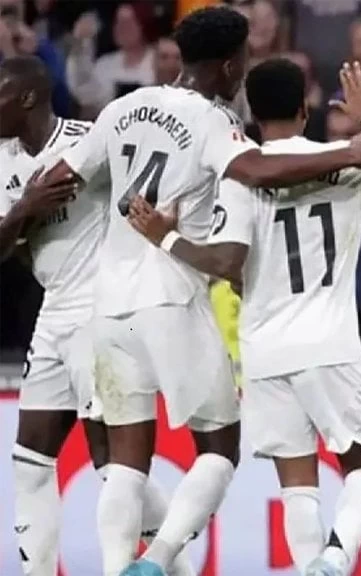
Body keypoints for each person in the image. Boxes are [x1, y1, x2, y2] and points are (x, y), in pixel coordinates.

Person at [34, 7, 361, 576]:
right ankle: (155, 562)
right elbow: (258, 170)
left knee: (125, 462)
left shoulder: (123, 107)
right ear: (229, 64)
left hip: (109, 303)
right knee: (220, 450)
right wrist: (348, 152)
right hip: (172, 298)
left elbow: (58, 177)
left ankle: (118, 567)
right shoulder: (211, 120)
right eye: (243, 60)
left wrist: (20, 217)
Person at [124, 58, 361, 576]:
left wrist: (166, 237)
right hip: (329, 343)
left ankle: (303, 564)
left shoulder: (241, 175)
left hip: (263, 351)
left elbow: (227, 262)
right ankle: (335, 558)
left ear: (251, 113)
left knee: (297, 485)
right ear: (305, 108)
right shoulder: (347, 158)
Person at [0, 55, 192, 576]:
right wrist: (26, 208)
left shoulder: (91, 140)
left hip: (101, 310)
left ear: (27, 98)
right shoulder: (3, 161)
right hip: (53, 310)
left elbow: (150, 192)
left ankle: (175, 565)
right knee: (30, 460)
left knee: (111, 460)